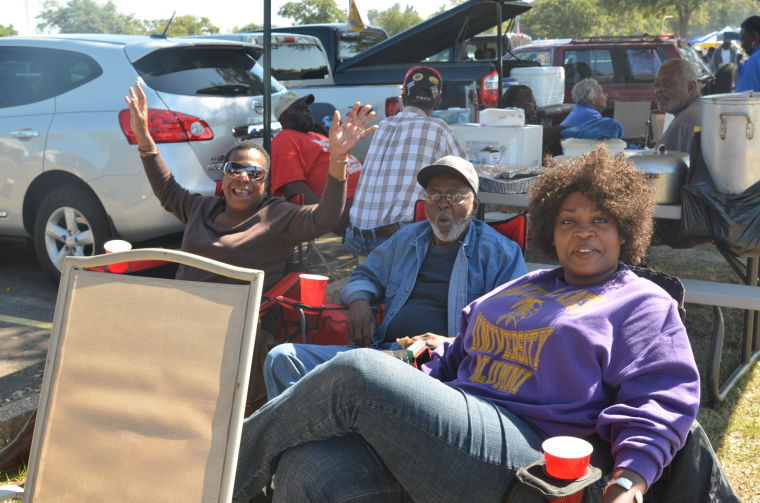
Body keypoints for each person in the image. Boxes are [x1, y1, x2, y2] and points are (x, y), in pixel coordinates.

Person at [232, 146, 700, 503]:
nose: (583, 231)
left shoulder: (639, 301)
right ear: (550, 233)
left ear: (625, 229)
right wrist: (419, 361)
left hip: (533, 454)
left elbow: (662, 399)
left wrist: (630, 480)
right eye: (567, 220)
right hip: (456, 424)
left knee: (355, 374)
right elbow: (457, 357)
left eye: (600, 220)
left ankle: (208, 478)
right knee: (306, 468)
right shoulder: (527, 286)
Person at [0, 83, 378, 473]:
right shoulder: (201, 207)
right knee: (82, 350)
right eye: (236, 169)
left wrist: (336, 162)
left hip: (230, 329)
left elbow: (326, 218)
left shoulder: (279, 216)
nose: (243, 178)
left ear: (265, 182)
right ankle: (27, 447)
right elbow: (166, 189)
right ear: (224, 174)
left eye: (255, 173)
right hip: (173, 318)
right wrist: (145, 139)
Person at [263, 155, 527, 399]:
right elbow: (365, 275)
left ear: (475, 204)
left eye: (456, 196)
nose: (443, 203)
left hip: (439, 369)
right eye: (435, 194)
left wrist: (450, 343)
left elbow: (513, 330)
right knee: (283, 357)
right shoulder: (408, 238)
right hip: (383, 352)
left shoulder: (500, 254)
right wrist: (359, 303)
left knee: (363, 378)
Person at [346, 65, 465, 258]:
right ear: (438, 101)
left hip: (357, 236)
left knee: (371, 284)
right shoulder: (439, 127)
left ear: (402, 97)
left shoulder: (384, 125)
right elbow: (467, 176)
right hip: (396, 238)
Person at [270, 91, 363, 235]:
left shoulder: (316, 135)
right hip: (344, 207)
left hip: (364, 195)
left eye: (307, 106)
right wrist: (324, 215)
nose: (307, 109)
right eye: (300, 108)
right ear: (285, 116)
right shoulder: (284, 140)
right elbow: (293, 187)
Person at [499, 84, 563, 156]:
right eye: (531, 103)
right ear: (515, 104)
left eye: (535, 103)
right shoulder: (509, 118)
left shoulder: (528, 117)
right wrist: (558, 130)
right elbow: (531, 137)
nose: (535, 107)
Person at [654, 59, 701, 153]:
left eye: (668, 84)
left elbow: (661, 165)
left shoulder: (685, 120)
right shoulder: (704, 108)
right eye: (657, 85)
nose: (659, 90)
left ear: (690, 87)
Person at [736, 15, 760, 92]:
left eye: (743, 38)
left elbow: (746, 98)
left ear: (754, 36)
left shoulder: (754, 60)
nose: (742, 45)